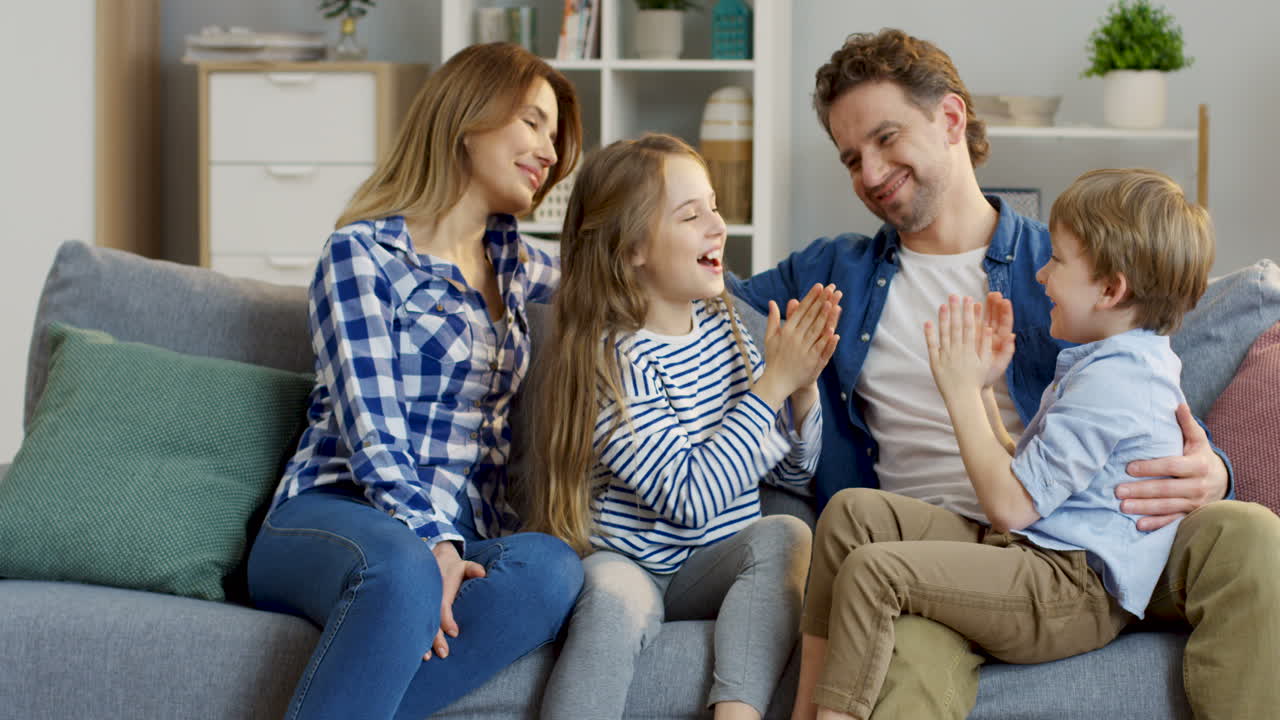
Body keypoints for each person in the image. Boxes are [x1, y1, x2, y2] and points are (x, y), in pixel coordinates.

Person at [729, 28, 1280, 720]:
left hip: (1086, 533)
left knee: (1250, 532)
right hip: (944, 543)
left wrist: (1216, 471)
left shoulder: (1064, 265)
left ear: (951, 119)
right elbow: (705, 288)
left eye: (887, 138)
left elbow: (1142, 392)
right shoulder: (834, 272)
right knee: (906, 674)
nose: (869, 174)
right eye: (850, 158)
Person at [793, 168, 1214, 719]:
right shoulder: (1106, 362)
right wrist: (987, 392)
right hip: (1036, 555)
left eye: (1059, 261)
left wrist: (961, 392)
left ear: (1111, 289)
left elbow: (1010, 508)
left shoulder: (1118, 382)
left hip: (1069, 589)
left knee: (875, 570)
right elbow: (1027, 477)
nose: (1042, 274)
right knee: (850, 515)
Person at [244, 43, 587, 720]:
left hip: (461, 531)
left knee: (552, 569)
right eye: (532, 122)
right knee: (401, 573)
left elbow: (629, 284)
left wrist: (719, 264)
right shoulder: (363, 255)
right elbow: (373, 431)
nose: (550, 151)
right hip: (334, 515)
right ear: (467, 118)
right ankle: (408, 588)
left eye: (554, 135)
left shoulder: (523, 267)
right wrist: (433, 544)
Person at [526, 134, 836, 720]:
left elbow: (793, 470)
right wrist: (770, 384)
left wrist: (800, 390)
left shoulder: (727, 330)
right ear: (632, 248)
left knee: (789, 537)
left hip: (710, 562)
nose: (716, 226)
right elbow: (689, 498)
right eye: (690, 215)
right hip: (631, 559)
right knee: (613, 601)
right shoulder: (611, 361)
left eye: (714, 207)